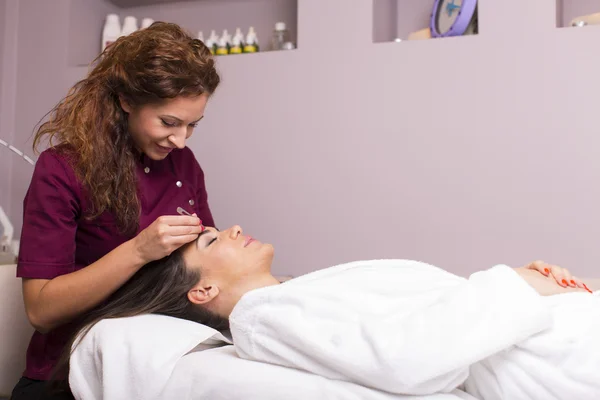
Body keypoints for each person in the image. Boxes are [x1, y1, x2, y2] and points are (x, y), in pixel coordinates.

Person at [56, 225, 598, 399]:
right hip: (549, 362)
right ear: (203, 292)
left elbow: (428, 308)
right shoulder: (262, 318)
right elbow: (407, 356)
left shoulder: (294, 294)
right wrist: (518, 287)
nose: (236, 229)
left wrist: (535, 283)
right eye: (212, 240)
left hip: (551, 336)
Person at [11, 22, 220, 400]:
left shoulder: (184, 164)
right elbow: (41, 310)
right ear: (126, 100)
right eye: (169, 122)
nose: (181, 139)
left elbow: (206, 270)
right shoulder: (62, 170)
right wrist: (139, 250)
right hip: (68, 373)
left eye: (193, 125)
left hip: (157, 364)